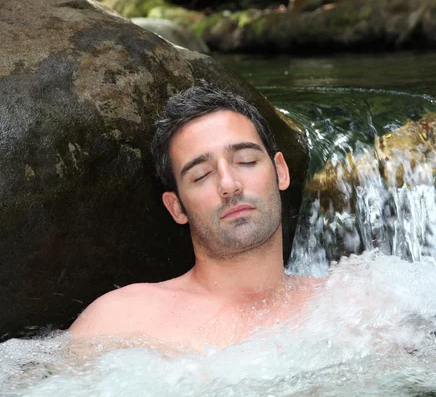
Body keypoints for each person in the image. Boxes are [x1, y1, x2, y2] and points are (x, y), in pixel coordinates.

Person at [69, 84, 320, 351]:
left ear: (281, 172)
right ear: (177, 208)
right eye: (201, 175)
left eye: (246, 161)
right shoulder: (120, 322)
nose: (229, 184)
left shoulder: (349, 305)